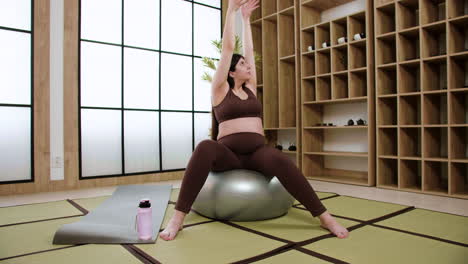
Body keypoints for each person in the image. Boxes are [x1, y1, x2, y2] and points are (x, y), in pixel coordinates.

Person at [159, 0, 349, 241]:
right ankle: (177, 219)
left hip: (257, 153)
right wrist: (231, 11)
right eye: (242, 65)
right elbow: (228, 50)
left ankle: (325, 217)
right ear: (230, 71)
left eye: (248, 65)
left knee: (280, 158)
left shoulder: (251, 88)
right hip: (228, 156)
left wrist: (247, 21)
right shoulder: (219, 90)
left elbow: (250, 52)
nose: (248, 66)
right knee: (205, 147)